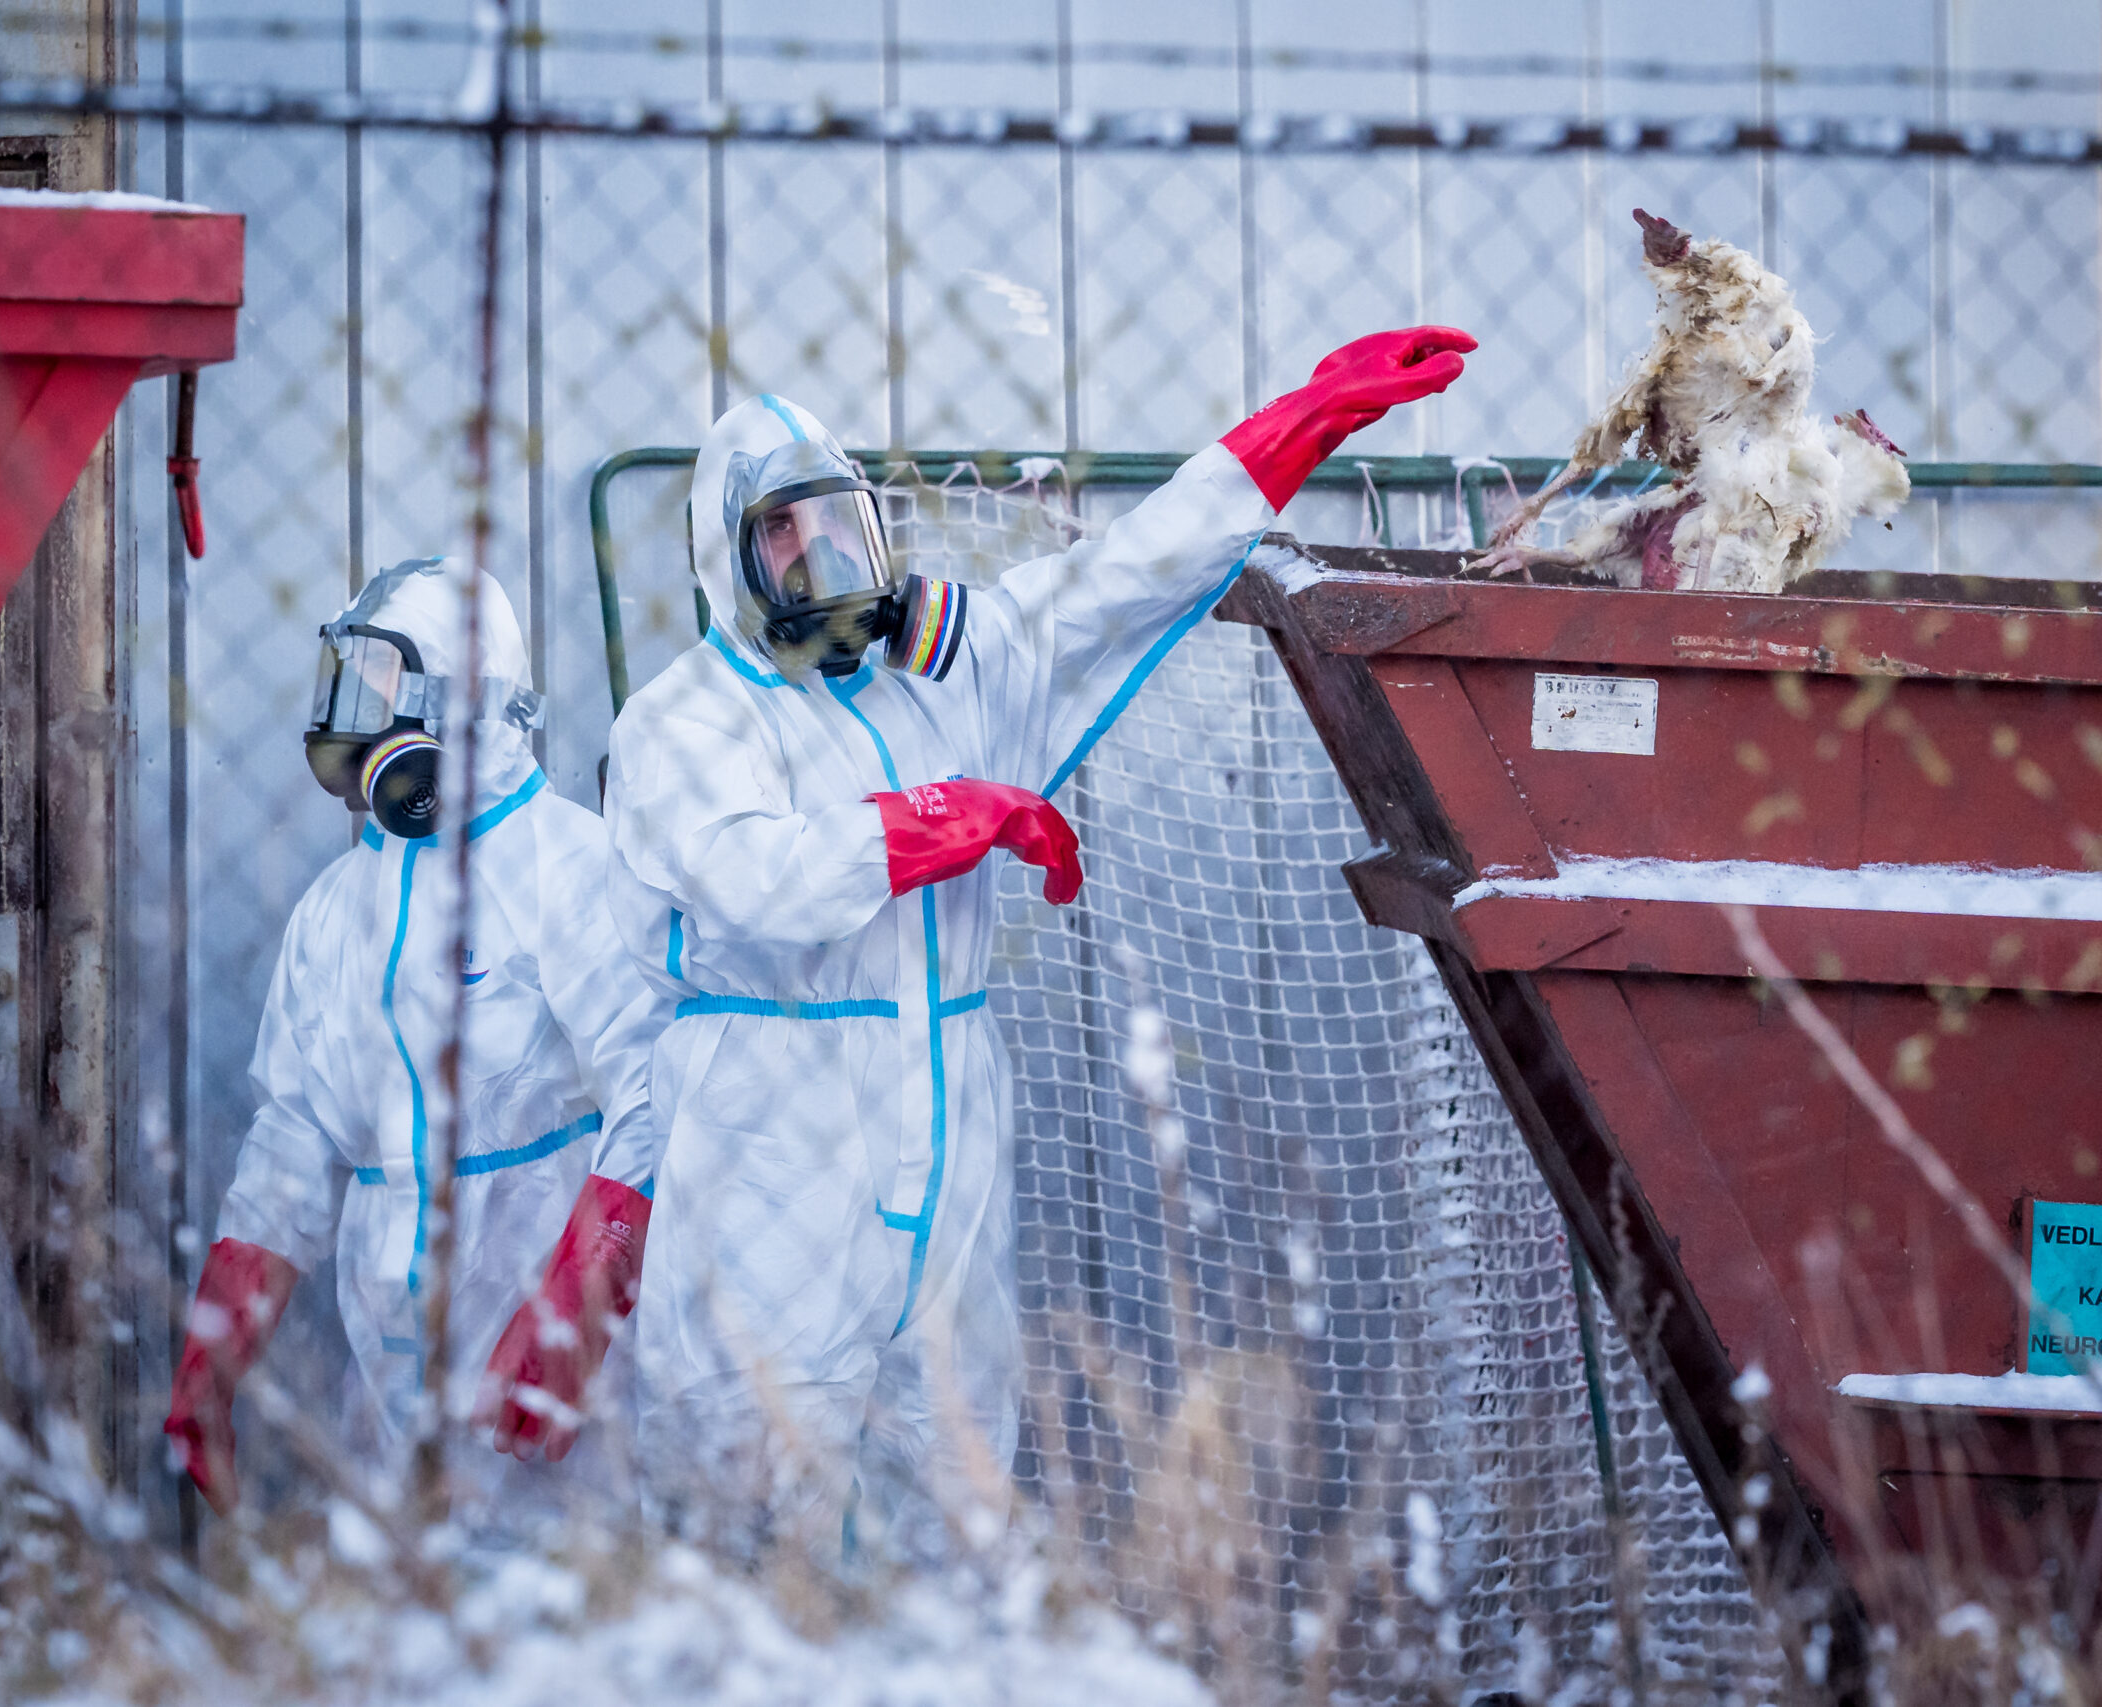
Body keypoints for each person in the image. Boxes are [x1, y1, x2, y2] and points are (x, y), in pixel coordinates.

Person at [605, 329, 1474, 1552]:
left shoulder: (939, 675)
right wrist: (944, 815)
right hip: (770, 1144)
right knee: (748, 1493)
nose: (819, 553)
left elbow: (1122, 576)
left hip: (948, 1122)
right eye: (780, 533)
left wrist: (1300, 426)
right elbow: (759, 881)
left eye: (838, 521)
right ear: (727, 559)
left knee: (953, 1479)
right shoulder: (683, 720)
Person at [163, 556, 674, 1520]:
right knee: (398, 1596)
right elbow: (294, 1139)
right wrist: (215, 1351)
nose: (355, 720)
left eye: (380, 687)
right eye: (347, 686)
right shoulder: (338, 907)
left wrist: (575, 1311)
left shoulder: (570, 870)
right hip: (387, 1391)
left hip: (547, 1376)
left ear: (464, 699)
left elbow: (655, 1092)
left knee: (557, 1596)